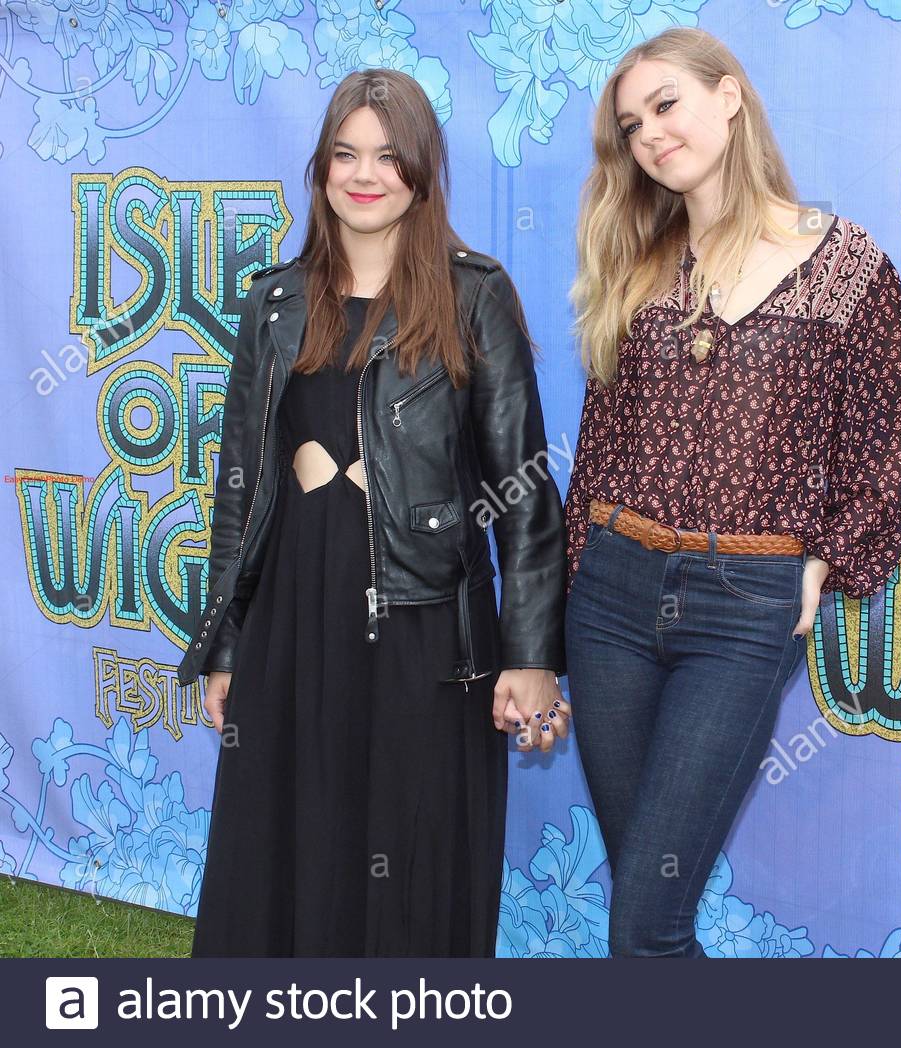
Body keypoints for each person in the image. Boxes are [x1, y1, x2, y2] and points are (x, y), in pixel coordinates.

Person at [174, 68, 569, 957]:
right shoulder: (274, 301)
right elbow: (239, 487)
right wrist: (229, 642)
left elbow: (526, 493)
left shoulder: (475, 296)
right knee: (284, 836)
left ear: (423, 171)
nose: (364, 175)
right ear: (318, 170)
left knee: (414, 845)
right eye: (345, 155)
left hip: (423, 621)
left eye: (389, 157)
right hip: (292, 616)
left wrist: (533, 656)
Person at [562, 27, 901, 957]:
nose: (650, 134)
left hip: (743, 607)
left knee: (647, 925)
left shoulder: (844, 261)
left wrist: (829, 561)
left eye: (666, 105)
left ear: (729, 96)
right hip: (610, 598)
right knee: (643, 913)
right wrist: (577, 565)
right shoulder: (640, 260)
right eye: (631, 124)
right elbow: (601, 444)